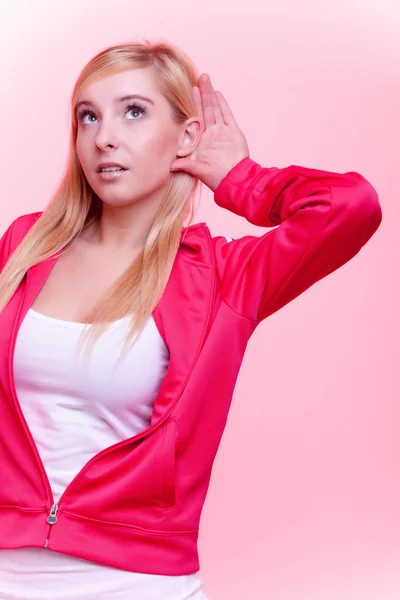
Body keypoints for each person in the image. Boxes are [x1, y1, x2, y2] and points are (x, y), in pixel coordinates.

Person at [0, 39, 382, 600]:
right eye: (88, 116)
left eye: (134, 111)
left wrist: (242, 178)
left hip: (138, 584)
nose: (104, 136)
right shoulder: (24, 247)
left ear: (187, 136)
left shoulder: (224, 277)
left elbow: (352, 206)